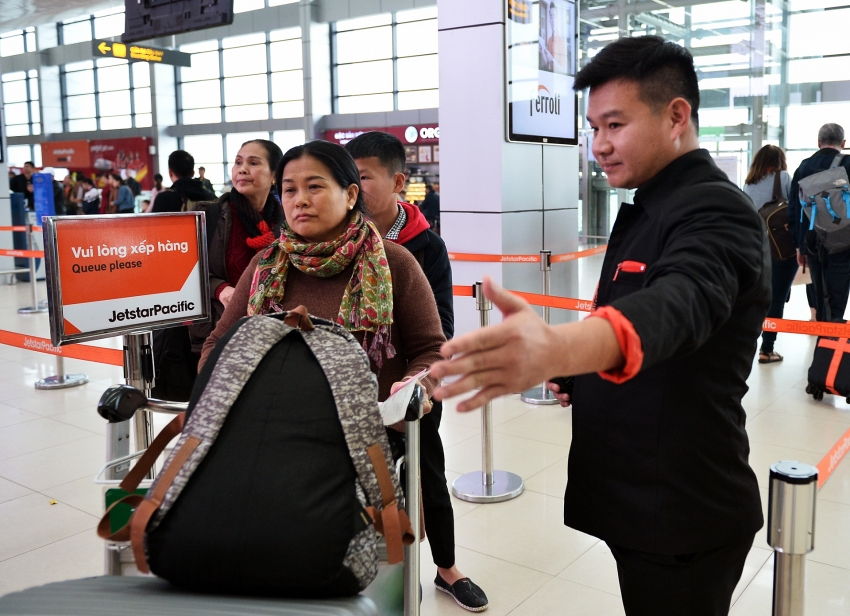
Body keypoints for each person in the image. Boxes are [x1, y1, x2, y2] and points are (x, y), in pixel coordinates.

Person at [431, 36, 769, 616]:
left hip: (681, 511)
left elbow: (679, 304)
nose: (600, 146)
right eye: (593, 128)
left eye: (614, 125)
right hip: (639, 500)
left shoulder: (716, 210)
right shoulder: (649, 205)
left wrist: (561, 347)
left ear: (676, 116)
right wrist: (580, 373)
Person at [345, 132, 487, 613]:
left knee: (427, 472)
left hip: (413, 389)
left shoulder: (426, 246)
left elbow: (441, 329)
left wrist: (414, 379)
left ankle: (446, 569)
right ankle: (367, 571)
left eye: (363, 176)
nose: (353, 187)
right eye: (347, 176)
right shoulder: (337, 242)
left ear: (398, 181)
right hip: (351, 389)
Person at [199, 140, 445, 417]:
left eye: (314, 187)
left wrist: (415, 385)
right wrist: (225, 385)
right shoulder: (266, 264)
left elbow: (431, 348)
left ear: (351, 195)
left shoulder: (393, 261)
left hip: (370, 434)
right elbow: (218, 341)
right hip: (276, 431)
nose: (300, 200)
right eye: (290, 189)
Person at [188, 139, 285, 354]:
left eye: (253, 163)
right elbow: (182, 273)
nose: (242, 169)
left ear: (275, 175)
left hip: (271, 336)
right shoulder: (208, 217)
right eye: (238, 162)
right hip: (219, 334)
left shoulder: (286, 224)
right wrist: (220, 290)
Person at [788, 123, 850, 322]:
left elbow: (794, 209)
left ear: (818, 142)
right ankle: (834, 336)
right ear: (843, 143)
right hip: (844, 239)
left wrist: (799, 246)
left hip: (812, 239)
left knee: (819, 289)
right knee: (838, 290)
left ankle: (823, 335)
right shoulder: (848, 163)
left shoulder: (804, 166)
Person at [743, 145, 796, 364]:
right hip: (782, 248)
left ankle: (750, 345)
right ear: (779, 160)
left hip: (756, 247)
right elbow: (795, 208)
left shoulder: (749, 183)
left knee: (761, 297)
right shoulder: (783, 177)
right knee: (777, 298)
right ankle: (767, 349)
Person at [151, 150, 215, 213]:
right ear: (193, 173)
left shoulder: (164, 199)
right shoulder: (211, 197)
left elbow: (154, 222)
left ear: (170, 173)